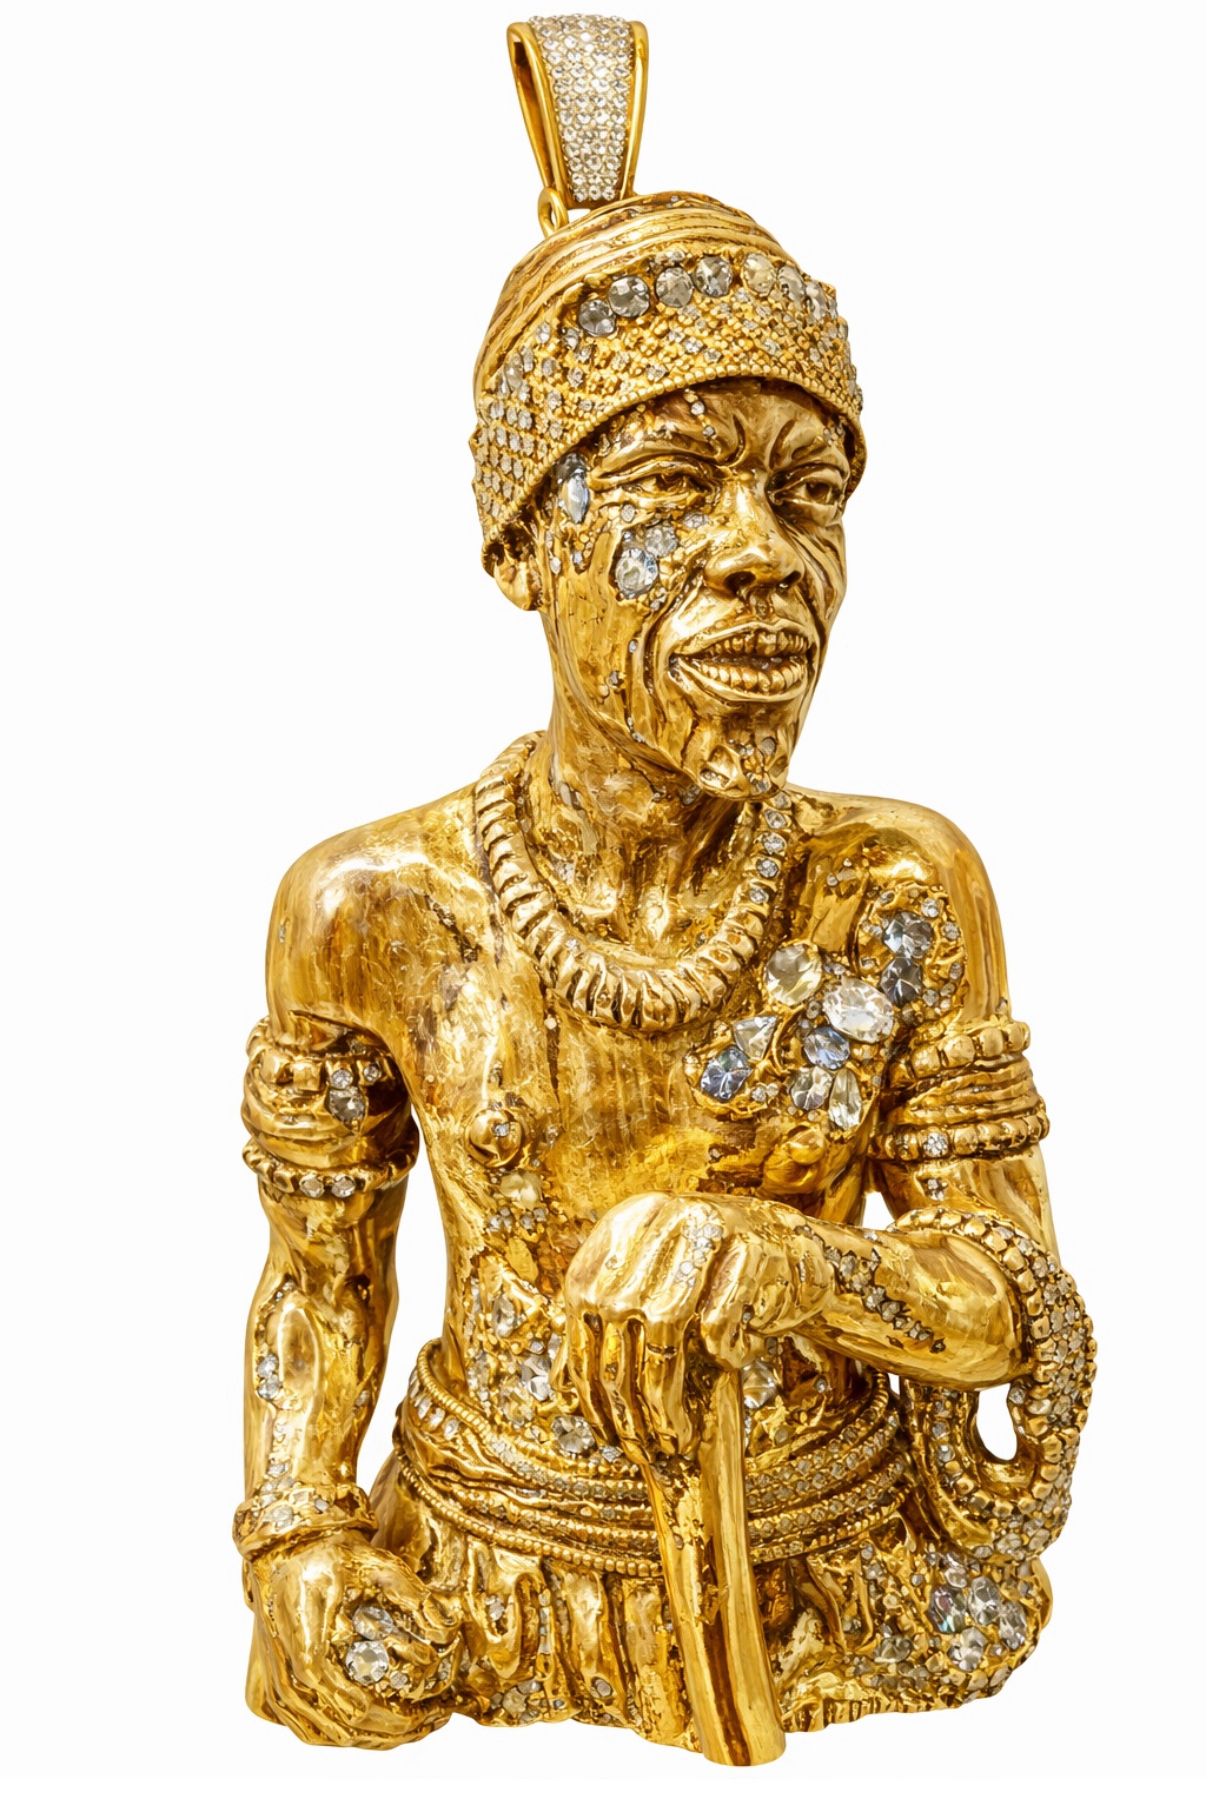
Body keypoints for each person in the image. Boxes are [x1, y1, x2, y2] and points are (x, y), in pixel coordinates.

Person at [234, 178, 1092, 1760]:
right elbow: (319, 1279)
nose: (761, 555)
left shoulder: (898, 886)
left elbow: (1006, 1297)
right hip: (482, 1578)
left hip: (836, 1581)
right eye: (672, 487)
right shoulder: (368, 911)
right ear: (523, 543)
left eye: (808, 494)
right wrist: (295, 1540)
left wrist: (799, 1267)